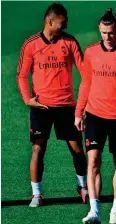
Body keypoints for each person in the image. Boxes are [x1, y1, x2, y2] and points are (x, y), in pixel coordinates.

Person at [16, 2, 88, 207]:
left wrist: (84, 103)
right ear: (50, 21)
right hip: (42, 108)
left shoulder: (69, 42)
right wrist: (27, 99)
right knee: (38, 149)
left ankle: (82, 187)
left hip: (67, 106)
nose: (65, 26)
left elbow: (85, 72)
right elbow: (21, 75)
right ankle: (36, 194)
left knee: (77, 149)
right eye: (62, 22)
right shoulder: (31, 45)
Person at [75, 9, 116, 224]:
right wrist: (79, 112)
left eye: (111, 33)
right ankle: (94, 211)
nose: (107, 37)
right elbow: (86, 83)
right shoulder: (91, 52)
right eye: (104, 33)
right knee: (93, 160)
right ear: (99, 30)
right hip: (95, 114)